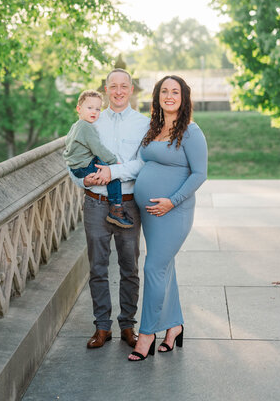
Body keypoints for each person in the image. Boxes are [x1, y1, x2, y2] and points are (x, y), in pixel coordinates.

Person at [128, 75, 207, 361]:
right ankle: (174, 326)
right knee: (164, 268)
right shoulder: (156, 127)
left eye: (175, 92)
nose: (169, 96)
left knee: (153, 268)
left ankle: (147, 333)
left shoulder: (191, 132)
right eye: (165, 91)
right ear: (158, 96)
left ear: (183, 98)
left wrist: (172, 202)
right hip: (151, 214)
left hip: (175, 212)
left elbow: (200, 174)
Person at [69, 69, 149, 349]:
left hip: (128, 205)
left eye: (123, 86)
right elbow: (71, 158)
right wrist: (82, 178)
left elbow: (142, 163)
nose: (118, 91)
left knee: (129, 268)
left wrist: (112, 171)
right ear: (105, 90)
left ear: (131, 89)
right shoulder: (90, 119)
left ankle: (128, 325)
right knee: (98, 269)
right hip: (95, 203)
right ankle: (102, 327)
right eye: (112, 86)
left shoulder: (143, 124)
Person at [64, 89, 134, 228]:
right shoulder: (86, 127)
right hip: (84, 167)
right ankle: (116, 207)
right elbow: (98, 148)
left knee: (105, 166)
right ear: (79, 109)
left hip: (76, 166)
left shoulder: (76, 126)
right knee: (111, 172)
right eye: (89, 108)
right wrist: (114, 162)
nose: (94, 112)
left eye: (97, 109)